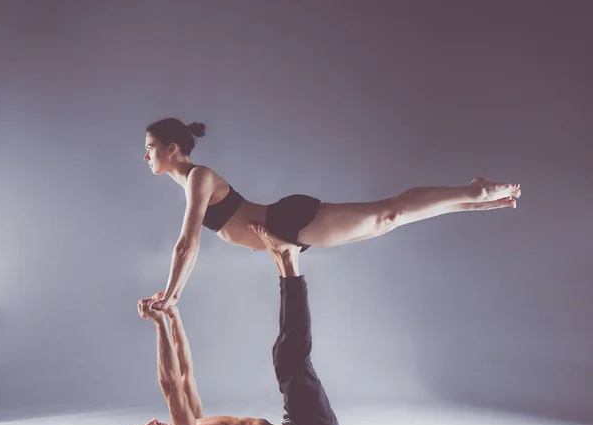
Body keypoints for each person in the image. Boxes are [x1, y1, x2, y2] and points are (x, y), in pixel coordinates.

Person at [142, 118, 521, 311]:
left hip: (287, 222)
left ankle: (476, 190)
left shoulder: (198, 177)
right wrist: (172, 294)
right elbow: (190, 245)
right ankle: (478, 200)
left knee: (386, 214)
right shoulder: (190, 181)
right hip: (286, 230)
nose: (146, 155)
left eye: (151, 147)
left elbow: (187, 244)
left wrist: (173, 295)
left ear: (172, 148)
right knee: (388, 222)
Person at [122, 224, 343, 425]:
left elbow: (184, 374)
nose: (152, 422)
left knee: (284, 355)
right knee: (288, 360)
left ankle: (285, 262)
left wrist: (173, 316)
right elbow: (170, 384)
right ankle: (289, 265)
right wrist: (159, 324)